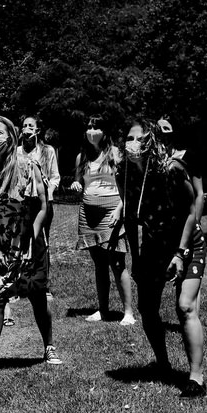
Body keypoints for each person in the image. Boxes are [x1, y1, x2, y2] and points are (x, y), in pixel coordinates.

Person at [119, 118, 207, 398]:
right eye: (129, 139)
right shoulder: (126, 173)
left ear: (152, 141)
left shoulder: (171, 169)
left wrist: (180, 253)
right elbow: (130, 219)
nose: (133, 145)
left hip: (188, 243)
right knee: (147, 308)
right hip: (154, 246)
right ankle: (163, 363)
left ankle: (196, 377)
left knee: (185, 307)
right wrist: (135, 257)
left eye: (140, 139)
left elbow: (192, 210)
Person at [0, 115, 61, 378]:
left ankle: (49, 346)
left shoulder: (28, 165)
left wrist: (31, 240)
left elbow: (42, 207)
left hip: (29, 243)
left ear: (11, 136)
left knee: (37, 295)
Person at [71, 116, 135, 326]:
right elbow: (80, 184)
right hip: (89, 216)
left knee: (117, 263)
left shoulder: (117, 155)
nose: (91, 130)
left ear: (105, 131)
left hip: (112, 213)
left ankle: (128, 313)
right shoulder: (82, 157)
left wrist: (120, 209)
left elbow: (128, 187)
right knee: (99, 264)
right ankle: (103, 309)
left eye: (95, 127)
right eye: (88, 127)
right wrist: (76, 186)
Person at [6, 115, 62, 322]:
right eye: (25, 125)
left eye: (32, 126)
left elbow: (55, 176)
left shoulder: (47, 151)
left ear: (38, 130)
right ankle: (18, 284)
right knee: (19, 241)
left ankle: (43, 284)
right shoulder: (15, 152)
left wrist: (49, 189)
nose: (27, 129)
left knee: (41, 241)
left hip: (42, 203)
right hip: (21, 204)